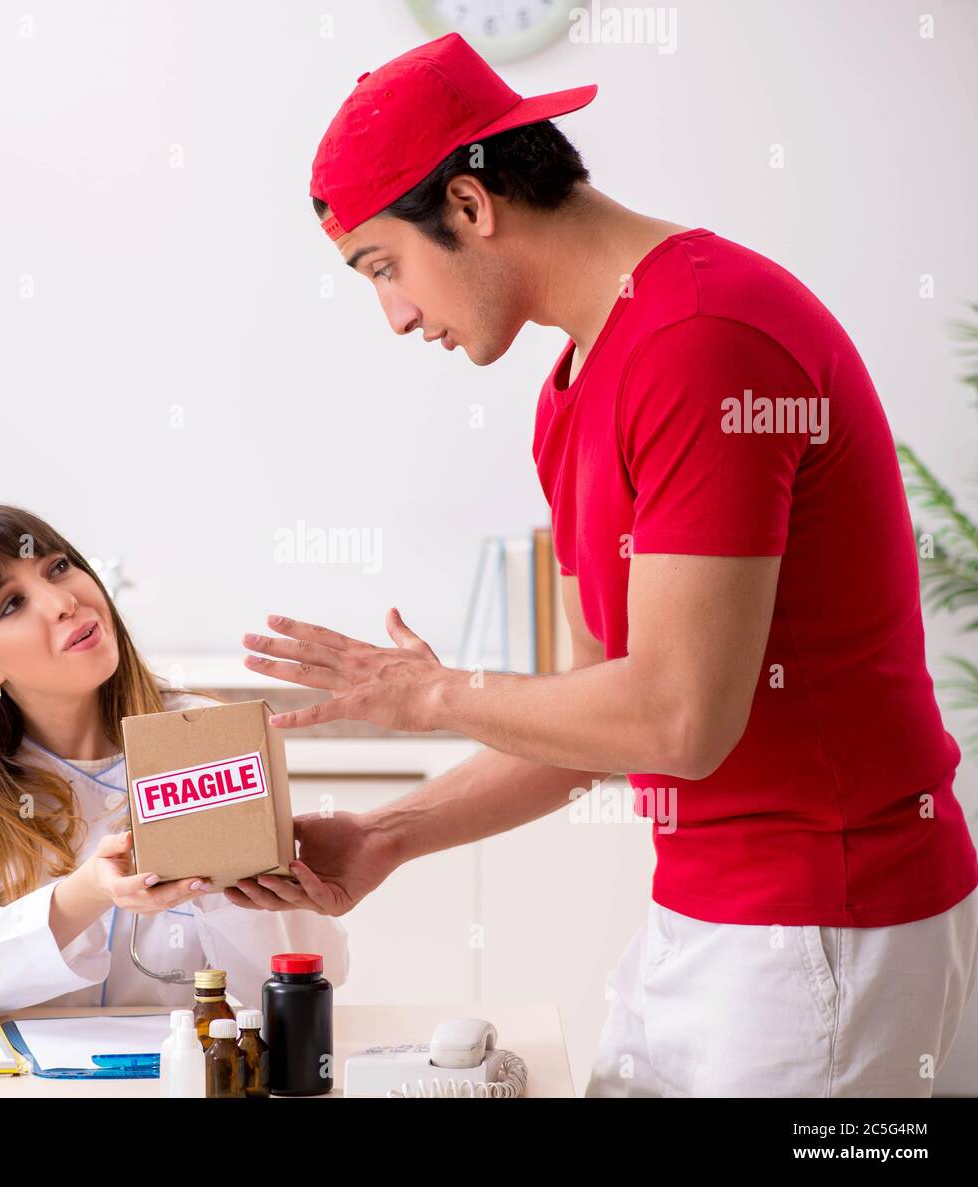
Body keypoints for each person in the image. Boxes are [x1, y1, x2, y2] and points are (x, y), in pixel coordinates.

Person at [222, 33, 978, 1097]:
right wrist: (385, 835)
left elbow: (679, 719)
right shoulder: (572, 389)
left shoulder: (702, 339)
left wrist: (435, 693)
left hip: (821, 931)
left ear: (472, 206)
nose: (392, 316)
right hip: (709, 918)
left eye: (384, 267)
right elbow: (598, 720)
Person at [0, 502, 348, 1013]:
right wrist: (84, 895)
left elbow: (313, 971)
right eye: (11, 604)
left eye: (58, 567)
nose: (63, 601)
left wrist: (229, 867)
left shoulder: (204, 735)